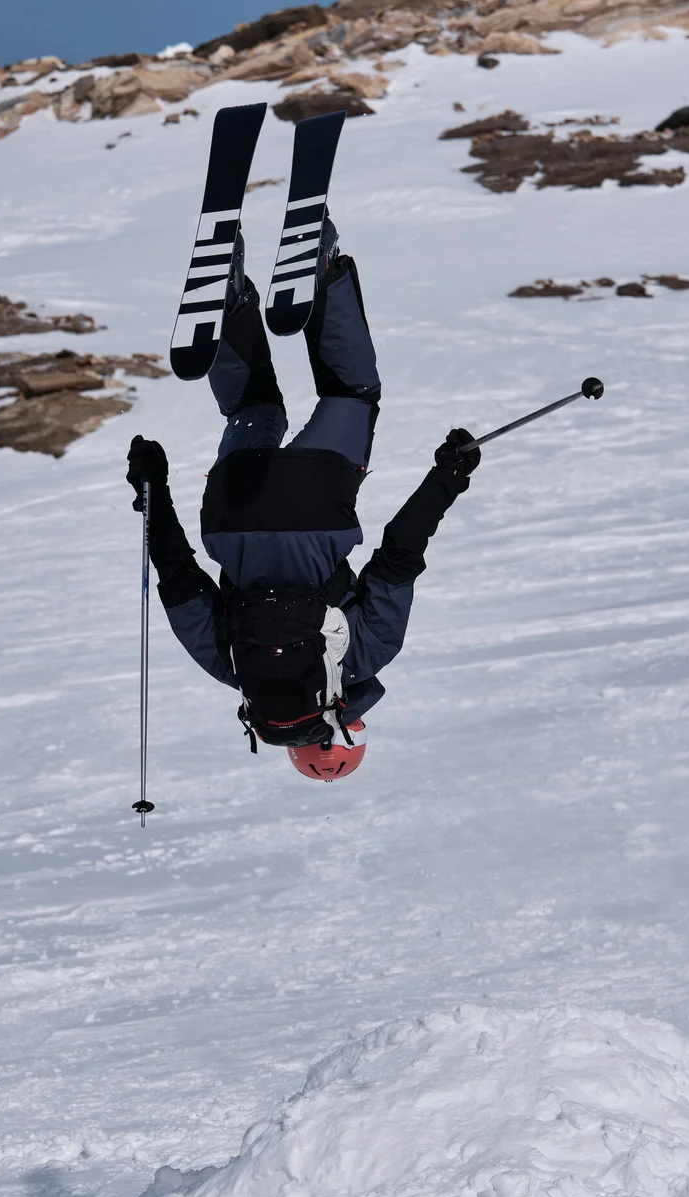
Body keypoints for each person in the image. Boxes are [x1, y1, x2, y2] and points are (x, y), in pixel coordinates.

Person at [125, 221, 480, 780]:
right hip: (233, 506)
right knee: (254, 410)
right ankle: (226, 299)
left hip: (315, 498)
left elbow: (399, 556)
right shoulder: (234, 668)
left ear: (349, 727)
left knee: (352, 395)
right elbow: (176, 575)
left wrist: (448, 479)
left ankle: (322, 270)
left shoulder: (368, 655)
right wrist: (154, 485)